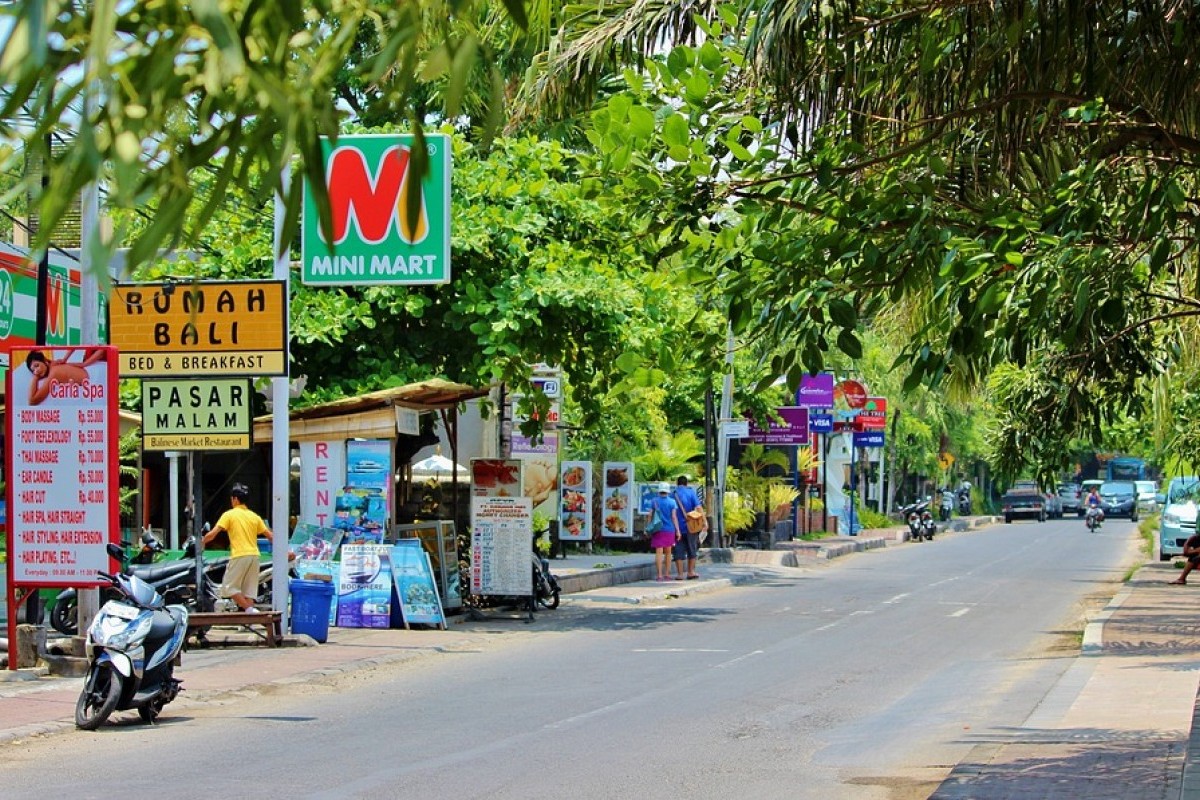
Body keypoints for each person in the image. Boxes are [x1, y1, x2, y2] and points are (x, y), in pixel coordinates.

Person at [203, 483, 272, 612]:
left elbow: (213, 534)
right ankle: (250, 617)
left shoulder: (229, 515)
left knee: (228, 587)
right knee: (249, 591)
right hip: (255, 556)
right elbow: (270, 536)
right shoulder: (254, 517)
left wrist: (202, 542)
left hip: (240, 555)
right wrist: (285, 551)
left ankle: (250, 611)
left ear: (234, 499)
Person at [25, 348, 106, 405]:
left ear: (45, 361)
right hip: (95, 373)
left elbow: (33, 400)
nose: (36, 371)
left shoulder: (54, 373)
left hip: (98, 377)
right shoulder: (54, 365)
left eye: (36, 366)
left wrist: (35, 378)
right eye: (33, 371)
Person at [671, 475, 705, 580]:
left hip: (677, 527)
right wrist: (704, 522)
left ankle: (680, 574)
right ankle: (690, 572)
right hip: (691, 526)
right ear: (686, 483)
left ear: (677, 483)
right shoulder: (691, 493)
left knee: (678, 550)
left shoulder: (673, 494)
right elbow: (699, 508)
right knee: (692, 549)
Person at [646, 482, 680, 582]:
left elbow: (649, 515)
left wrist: (648, 527)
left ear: (659, 490)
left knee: (659, 553)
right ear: (668, 491)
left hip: (657, 529)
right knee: (668, 553)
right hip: (669, 529)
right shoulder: (672, 502)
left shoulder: (654, 501)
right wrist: (677, 530)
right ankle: (667, 574)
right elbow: (674, 517)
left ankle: (659, 575)